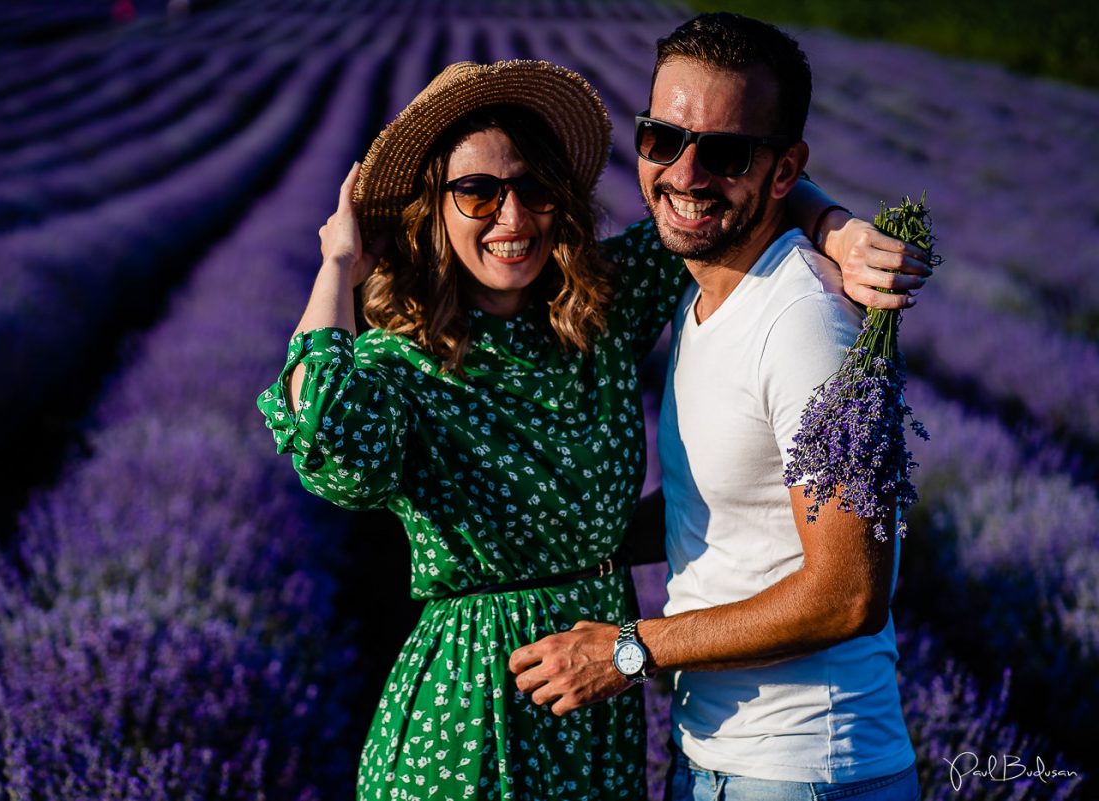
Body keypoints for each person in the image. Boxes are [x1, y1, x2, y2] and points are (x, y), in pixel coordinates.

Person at [258, 58, 927, 800]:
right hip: (473, 711)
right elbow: (326, 444)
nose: (512, 219)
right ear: (434, 209)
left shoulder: (597, 309)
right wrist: (338, 263)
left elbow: (713, 201)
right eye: (477, 193)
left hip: (600, 699)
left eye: (534, 189)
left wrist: (832, 226)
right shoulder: (402, 362)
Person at [510, 14, 923, 801]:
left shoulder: (808, 326)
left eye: (726, 152)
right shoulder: (703, 293)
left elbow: (849, 592)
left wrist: (628, 649)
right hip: (720, 758)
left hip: (803, 769)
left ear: (782, 169)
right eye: (663, 138)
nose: (686, 173)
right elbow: (736, 504)